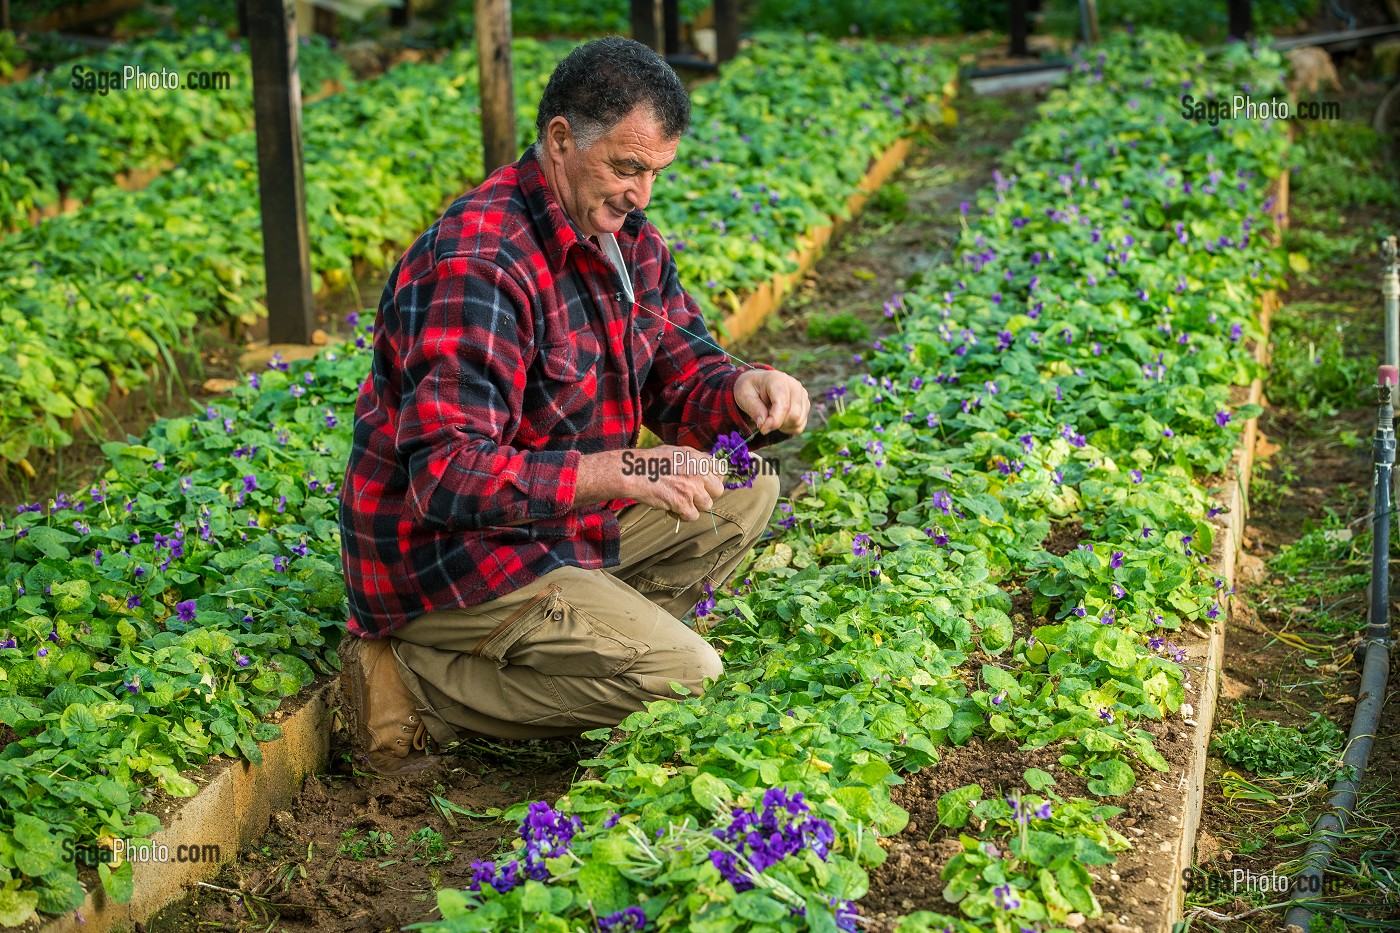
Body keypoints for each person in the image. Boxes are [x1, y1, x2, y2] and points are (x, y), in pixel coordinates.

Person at [336, 36, 810, 775]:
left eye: (654, 173)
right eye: (626, 168)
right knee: (686, 675)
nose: (641, 195)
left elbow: (681, 369)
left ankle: (589, 632)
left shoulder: (624, 239)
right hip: (455, 555)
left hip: (553, 525)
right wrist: (623, 469)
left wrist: (742, 390)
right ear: (560, 139)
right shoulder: (479, 264)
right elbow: (449, 477)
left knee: (747, 485)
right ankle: (417, 684)